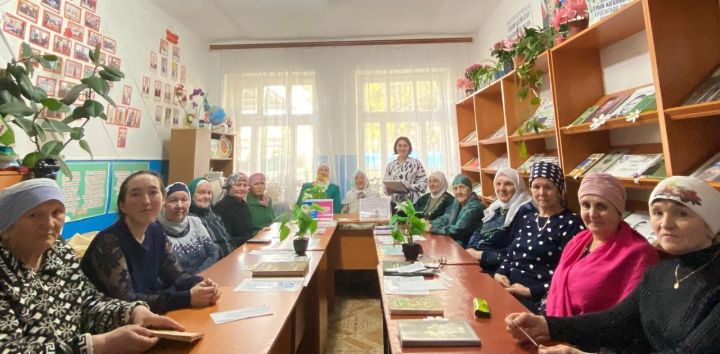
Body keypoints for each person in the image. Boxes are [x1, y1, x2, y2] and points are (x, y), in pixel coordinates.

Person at [505, 176, 720, 353]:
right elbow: (615, 320)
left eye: (681, 214)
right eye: (657, 213)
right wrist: (546, 325)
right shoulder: (661, 273)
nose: (665, 224)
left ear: (711, 222)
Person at [0, 178, 185, 353]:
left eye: (56, 213)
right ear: (6, 226)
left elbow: (87, 303)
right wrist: (99, 344)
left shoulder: (59, 253)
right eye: (34, 215)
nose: (49, 223)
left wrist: (133, 312)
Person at [82, 171, 221, 314]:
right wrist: (187, 298)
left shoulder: (155, 230)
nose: (146, 201)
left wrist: (203, 286)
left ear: (163, 200)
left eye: (153, 192)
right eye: (136, 194)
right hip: (111, 325)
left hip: (146, 317)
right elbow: (128, 302)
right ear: (122, 205)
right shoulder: (108, 242)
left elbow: (178, 275)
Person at [545, 173, 659, 317]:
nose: (592, 214)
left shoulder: (639, 254)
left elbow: (628, 315)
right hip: (554, 323)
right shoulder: (578, 241)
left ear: (618, 211)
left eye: (601, 206)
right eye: (586, 205)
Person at [493, 161, 585, 313]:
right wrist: (500, 272)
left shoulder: (571, 223)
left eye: (548, 187)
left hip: (538, 298)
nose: (541, 193)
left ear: (559, 190)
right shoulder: (527, 218)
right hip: (508, 288)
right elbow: (511, 252)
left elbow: (570, 274)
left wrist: (531, 291)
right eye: (536, 187)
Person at [465, 168, 534, 273]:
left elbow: (517, 251)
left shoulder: (525, 211)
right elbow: (478, 230)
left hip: (500, 270)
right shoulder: (495, 207)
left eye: (508, 184)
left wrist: (482, 255)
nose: (502, 188)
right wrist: (471, 249)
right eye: (498, 184)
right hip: (476, 262)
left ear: (518, 186)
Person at [157, 182, 221, 274]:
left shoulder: (195, 222)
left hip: (204, 278)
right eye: (173, 200)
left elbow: (214, 252)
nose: (179, 205)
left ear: (190, 202)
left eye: (184, 200)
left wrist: (197, 276)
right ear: (164, 203)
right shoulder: (156, 230)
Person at [429, 174, 485, 247]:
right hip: (456, 243)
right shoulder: (457, 202)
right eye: (455, 188)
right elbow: (446, 218)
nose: (459, 192)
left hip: (470, 248)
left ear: (470, 189)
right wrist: (428, 223)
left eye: (462, 187)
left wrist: (431, 228)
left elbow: (458, 229)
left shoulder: (475, 207)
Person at [187, 177, 233, 257]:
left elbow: (228, 239)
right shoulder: (188, 220)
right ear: (191, 194)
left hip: (228, 261)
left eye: (209, 193)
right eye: (202, 192)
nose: (206, 196)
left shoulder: (213, 215)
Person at [384, 136, 428, 206]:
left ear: (409, 148)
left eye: (405, 146)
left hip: (413, 204)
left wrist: (410, 186)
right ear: (396, 147)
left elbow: (424, 184)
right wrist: (388, 190)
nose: (402, 148)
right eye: (399, 146)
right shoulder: (390, 165)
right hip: (395, 204)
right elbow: (385, 187)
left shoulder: (416, 163)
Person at [213, 172, 254, 245]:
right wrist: (251, 239)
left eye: (245, 185)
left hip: (246, 246)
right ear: (229, 187)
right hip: (233, 250)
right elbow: (226, 238)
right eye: (238, 185)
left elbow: (248, 232)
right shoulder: (221, 207)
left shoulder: (244, 205)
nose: (242, 188)